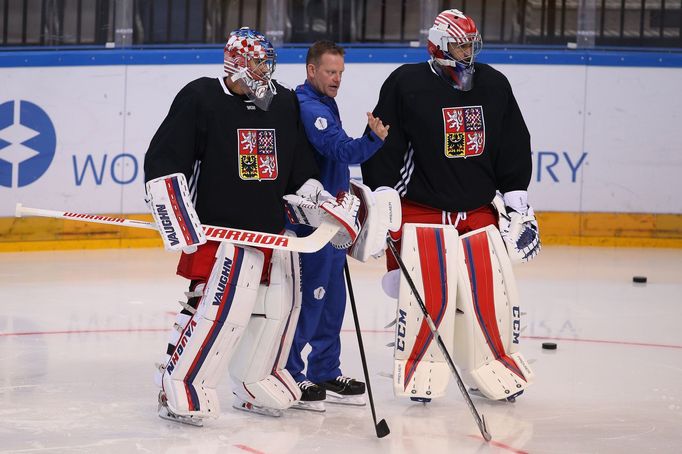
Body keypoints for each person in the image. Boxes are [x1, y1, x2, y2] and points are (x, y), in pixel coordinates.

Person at [143, 27, 361, 425]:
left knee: (279, 309)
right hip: (218, 234)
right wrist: (170, 205)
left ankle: (258, 379)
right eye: (259, 61)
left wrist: (322, 201)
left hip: (268, 232)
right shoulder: (200, 97)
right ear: (237, 62)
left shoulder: (282, 103)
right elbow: (165, 158)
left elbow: (298, 169)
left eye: (268, 62)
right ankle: (180, 381)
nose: (266, 69)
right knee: (212, 311)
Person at [361, 9, 540, 402]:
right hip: (423, 212)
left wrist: (517, 199)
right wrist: (382, 192)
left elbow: (512, 142)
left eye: (471, 44)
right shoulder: (406, 83)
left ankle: (494, 364)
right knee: (427, 295)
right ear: (438, 44)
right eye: (460, 44)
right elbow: (383, 142)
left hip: (477, 210)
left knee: (488, 293)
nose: (467, 51)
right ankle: (421, 366)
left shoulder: (493, 84)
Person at [285, 40, 390, 412]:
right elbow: (341, 150)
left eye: (341, 73)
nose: (337, 79)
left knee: (332, 300)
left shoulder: (323, 102)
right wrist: (371, 140)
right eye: (331, 72)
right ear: (311, 70)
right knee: (309, 298)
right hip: (312, 224)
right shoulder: (310, 107)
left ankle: (326, 369)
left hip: (334, 221)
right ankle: (291, 371)